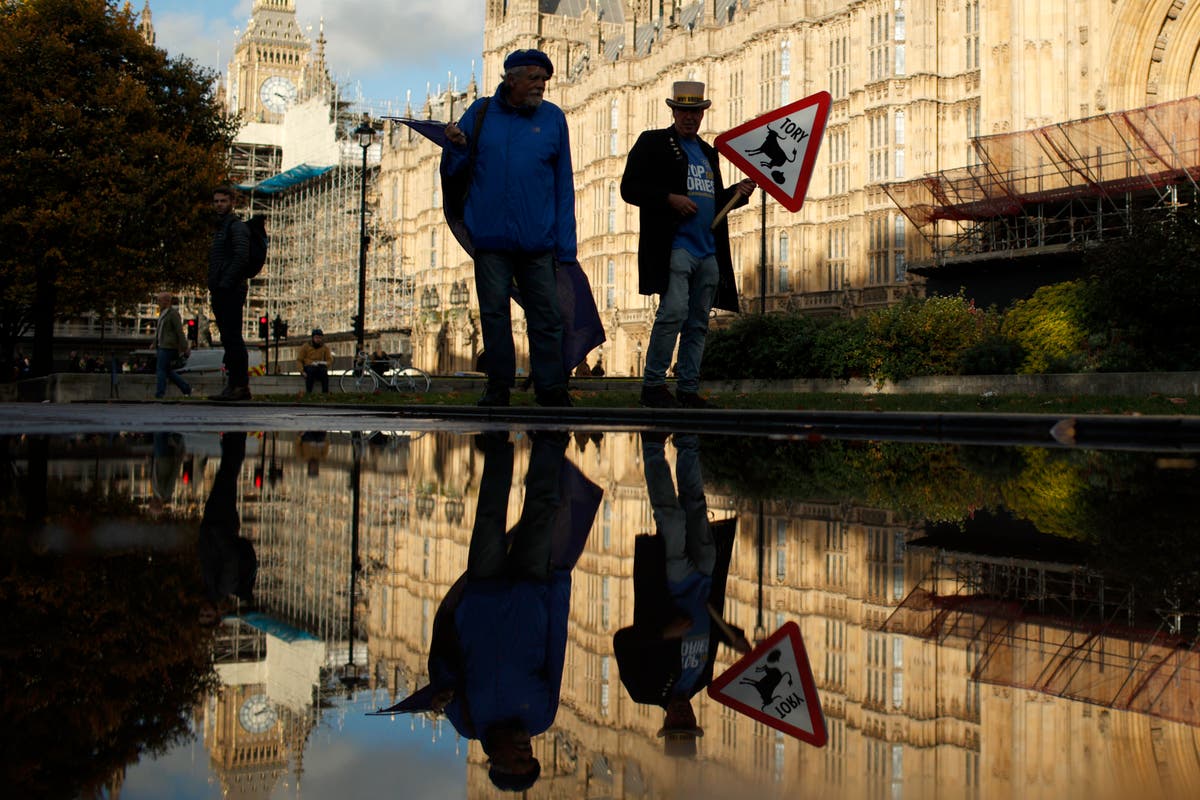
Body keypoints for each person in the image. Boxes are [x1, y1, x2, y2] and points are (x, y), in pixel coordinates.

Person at [372, 430, 603, 792]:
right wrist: (559, 580)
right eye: (532, 756)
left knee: (489, 516)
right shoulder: (542, 715)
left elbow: (443, 669)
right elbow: (556, 646)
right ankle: (548, 440)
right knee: (542, 509)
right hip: (532, 591)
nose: (528, 749)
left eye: (520, 758)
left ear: (496, 761)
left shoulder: (466, 721)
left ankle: (498, 444)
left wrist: (440, 694)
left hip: (482, 596)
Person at [442, 49, 576, 408]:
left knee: (546, 316)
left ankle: (551, 389)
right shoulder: (481, 113)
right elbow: (455, 171)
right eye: (533, 78)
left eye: (544, 80)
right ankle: (498, 388)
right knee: (495, 315)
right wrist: (454, 148)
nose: (540, 86)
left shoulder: (552, 119)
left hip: (537, 239)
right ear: (511, 79)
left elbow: (564, 185)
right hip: (491, 237)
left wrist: (567, 247)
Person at [613, 432, 750, 758]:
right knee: (695, 503)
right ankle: (687, 443)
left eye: (676, 723)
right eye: (688, 722)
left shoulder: (644, 688)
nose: (682, 716)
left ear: (666, 725)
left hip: (670, 583)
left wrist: (664, 633)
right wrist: (735, 641)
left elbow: (624, 643)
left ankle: (652, 448)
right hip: (704, 577)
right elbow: (711, 630)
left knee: (671, 519)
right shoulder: (702, 680)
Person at [621, 81, 756, 409]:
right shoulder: (654, 142)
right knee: (673, 312)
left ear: (702, 113)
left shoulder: (709, 153)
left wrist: (737, 194)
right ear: (673, 111)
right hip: (675, 246)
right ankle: (653, 385)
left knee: (698, 321)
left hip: (708, 250)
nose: (689, 117)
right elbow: (630, 188)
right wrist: (669, 199)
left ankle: (688, 388)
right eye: (683, 111)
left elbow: (714, 200)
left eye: (695, 111)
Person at [197, 431, 256, 626]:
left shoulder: (208, 588)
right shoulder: (221, 588)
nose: (204, 611)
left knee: (226, 475)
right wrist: (217, 534)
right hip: (221, 524)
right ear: (217, 614)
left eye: (201, 614)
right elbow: (230, 558)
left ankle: (232, 439)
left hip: (215, 524)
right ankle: (236, 437)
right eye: (208, 615)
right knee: (227, 475)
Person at [208, 184, 251, 401]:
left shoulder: (235, 227)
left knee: (233, 338)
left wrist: (225, 282)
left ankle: (240, 386)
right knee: (228, 338)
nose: (218, 205)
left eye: (223, 201)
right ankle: (234, 386)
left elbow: (241, 256)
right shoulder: (221, 228)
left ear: (232, 203)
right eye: (216, 201)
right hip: (222, 289)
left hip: (231, 289)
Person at [153, 291, 192, 399]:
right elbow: (160, 330)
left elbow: (179, 331)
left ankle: (160, 393)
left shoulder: (173, 314)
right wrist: (154, 342)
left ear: (167, 301)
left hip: (168, 346)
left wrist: (185, 347)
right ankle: (186, 388)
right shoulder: (162, 313)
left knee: (161, 369)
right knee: (167, 370)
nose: (158, 303)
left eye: (159, 300)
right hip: (162, 345)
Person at [296, 328, 333, 394]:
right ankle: (309, 392)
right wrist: (302, 371)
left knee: (324, 372)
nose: (318, 340)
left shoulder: (325, 348)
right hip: (308, 367)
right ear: (313, 338)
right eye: (316, 338)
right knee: (310, 371)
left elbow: (329, 359)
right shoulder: (306, 346)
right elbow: (299, 360)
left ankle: (325, 392)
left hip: (319, 367)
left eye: (320, 338)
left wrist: (325, 364)